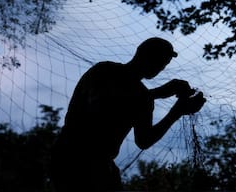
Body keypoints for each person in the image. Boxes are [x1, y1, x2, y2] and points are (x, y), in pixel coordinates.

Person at [51, 37, 206, 191]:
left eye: (165, 63)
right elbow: (103, 108)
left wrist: (177, 111)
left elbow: (144, 140)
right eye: (159, 59)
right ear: (140, 52)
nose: (161, 67)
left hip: (103, 163)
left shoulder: (144, 96)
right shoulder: (105, 70)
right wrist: (155, 94)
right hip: (73, 155)